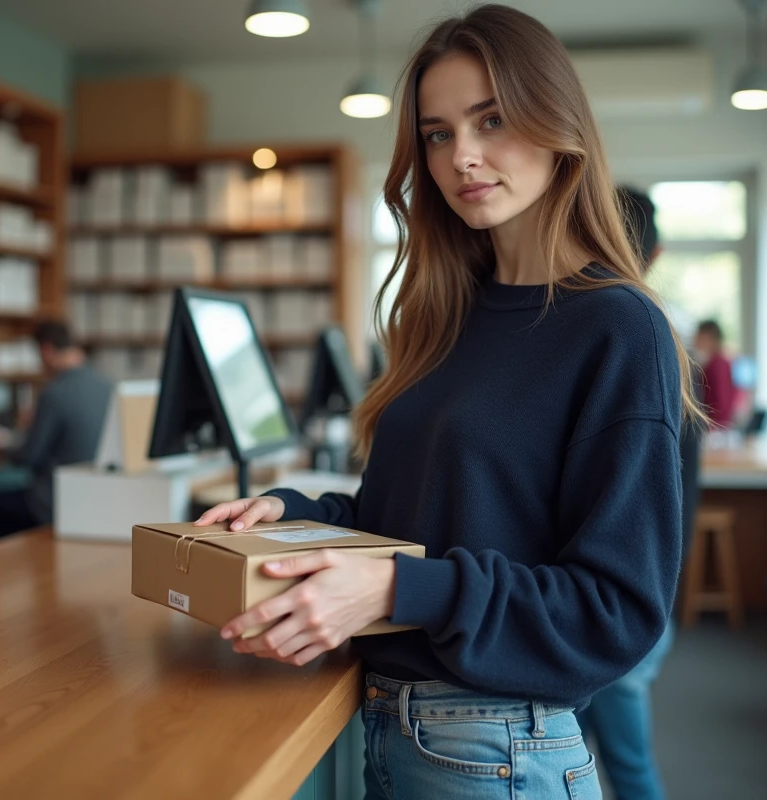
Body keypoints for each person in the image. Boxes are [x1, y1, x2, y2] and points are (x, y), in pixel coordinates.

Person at [195, 6, 701, 798]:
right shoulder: (446, 316)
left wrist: (397, 586)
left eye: (491, 120)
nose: (462, 155)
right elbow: (423, 521)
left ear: (557, 124)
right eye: (437, 134)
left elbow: (616, 609)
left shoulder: (616, 326)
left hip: (500, 746)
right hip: (393, 725)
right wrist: (293, 513)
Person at [573, 187, 702, 800]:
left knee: (624, 763)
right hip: (642, 587)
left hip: (616, 605)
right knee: (578, 756)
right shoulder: (666, 336)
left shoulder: (628, 334)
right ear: (658, 252)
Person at [0, 321, 111, 537]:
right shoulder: (107, 386)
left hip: (50, 504)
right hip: (91, 500)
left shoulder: (54, 393)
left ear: (46, 350)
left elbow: (28, 457)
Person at [693, 319, 736, 428]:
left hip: (715, 427)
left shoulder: (717, 365)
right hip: (719, 425)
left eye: (699, 336)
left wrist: (711, 426)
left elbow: (721, 400)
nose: (695, 340)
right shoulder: (721, 362)